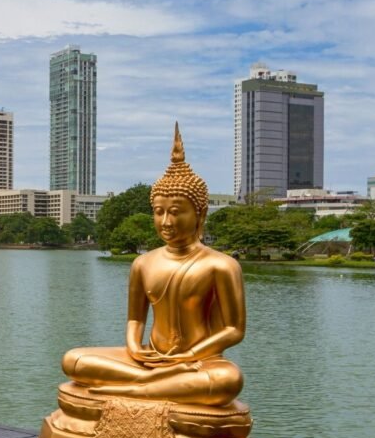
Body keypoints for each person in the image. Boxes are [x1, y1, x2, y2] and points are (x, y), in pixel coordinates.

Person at [61, 125, 245, 406]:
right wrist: (134, 346)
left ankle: (136, 389)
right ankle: (152, 384)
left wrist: (190, 355)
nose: (166, 222)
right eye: (159, 213)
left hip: (198, 361)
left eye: (176, 212)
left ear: (199, 213)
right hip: (150, 357)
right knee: (74, 359)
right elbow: (136, 319)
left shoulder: (221, 265)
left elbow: (234, 330)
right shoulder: (143, 263)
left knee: (227, 381)